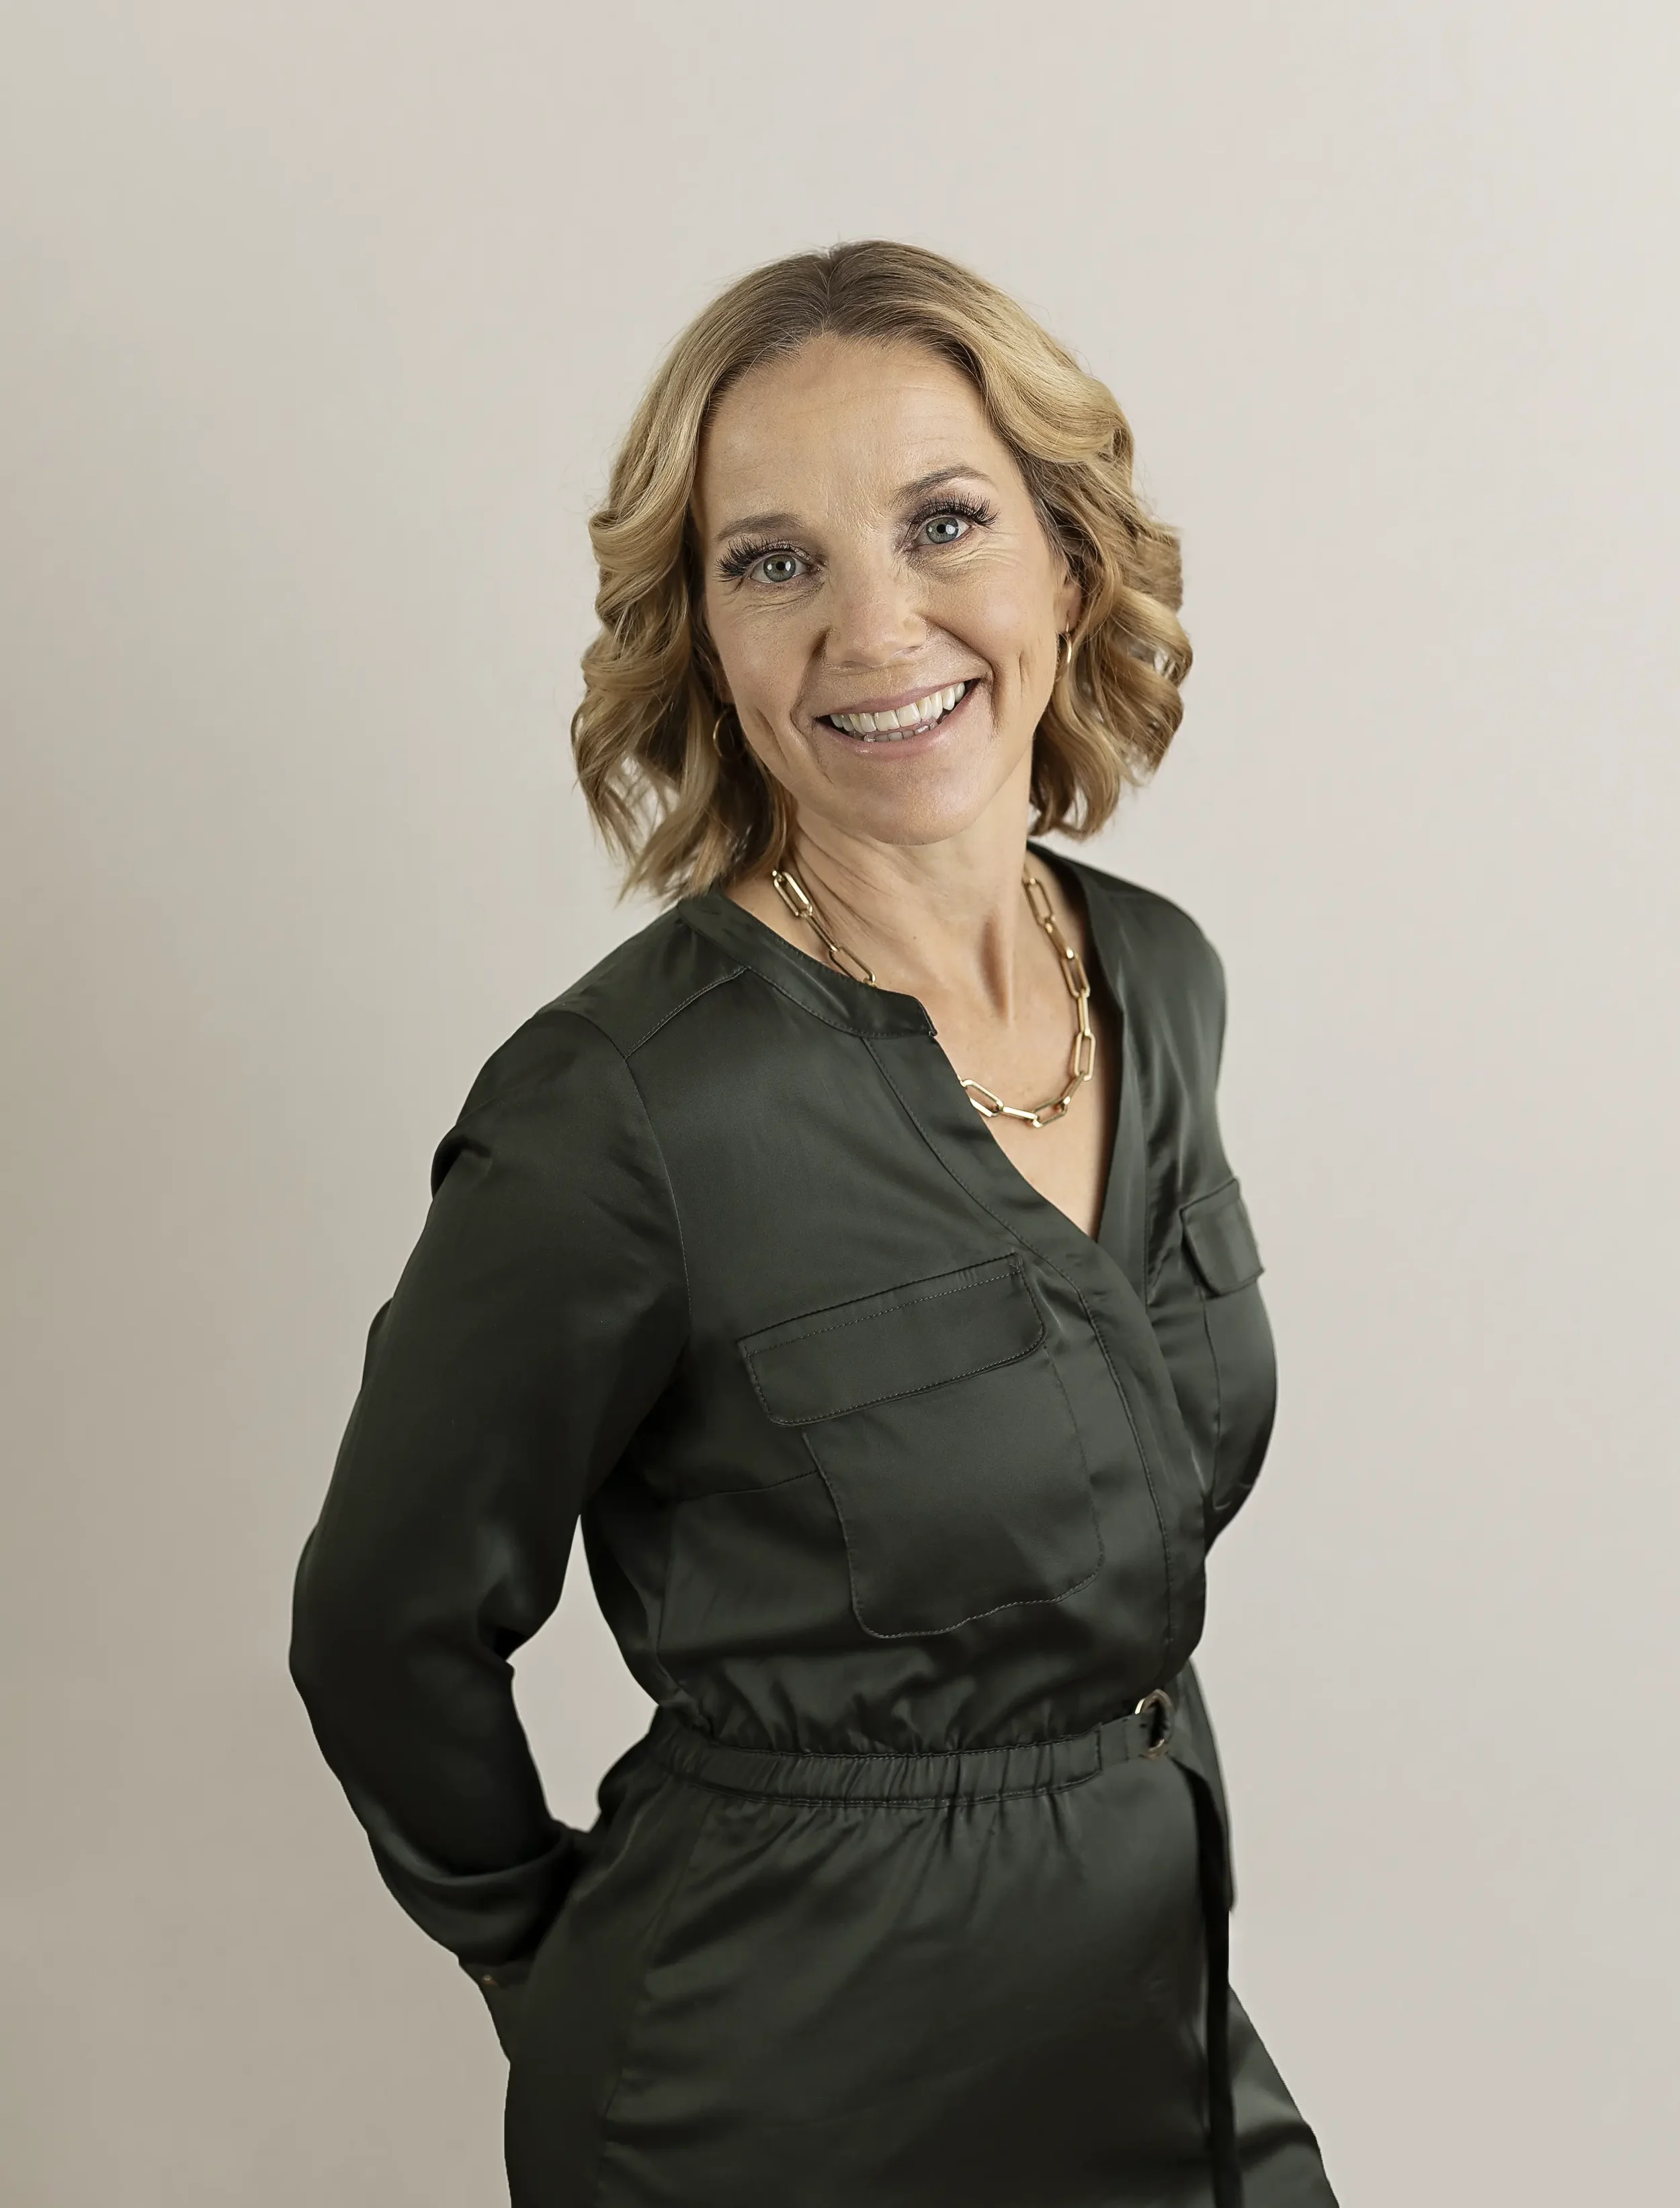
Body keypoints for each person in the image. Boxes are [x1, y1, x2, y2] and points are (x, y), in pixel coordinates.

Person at [290, 241, 1337, 2207]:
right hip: (765, 2094)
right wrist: (558, 1961)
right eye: (771, 561)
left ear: (1067, 563)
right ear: (699, 634)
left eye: (945, 522)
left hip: (1151, 2024)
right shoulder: (622, 1106)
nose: (875, 624)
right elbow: (381, 1621)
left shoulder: (1162, 983)